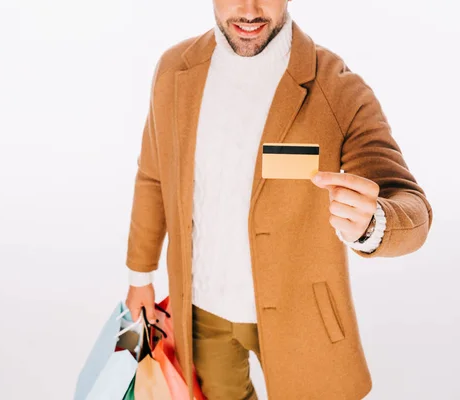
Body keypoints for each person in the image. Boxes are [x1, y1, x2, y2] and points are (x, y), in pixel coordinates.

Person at [124, 1, 433, 399]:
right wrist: (139, 277)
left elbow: (410, 206)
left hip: (302, 319)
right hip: (202, 314)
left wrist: (374, 221)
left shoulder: (336, 87)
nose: (248, 9)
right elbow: (152, 178)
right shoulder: (173, 71)